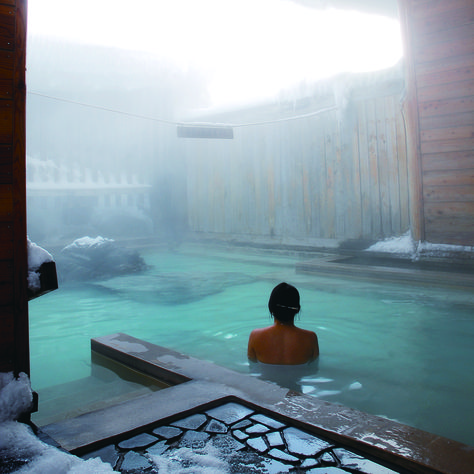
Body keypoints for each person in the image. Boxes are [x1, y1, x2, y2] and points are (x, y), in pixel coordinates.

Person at [247, 282, 319, 365]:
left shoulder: (255, 336)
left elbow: (252, 366)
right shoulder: (310, 338)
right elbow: (314, 367)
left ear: (270, 308)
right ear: (298, 309)